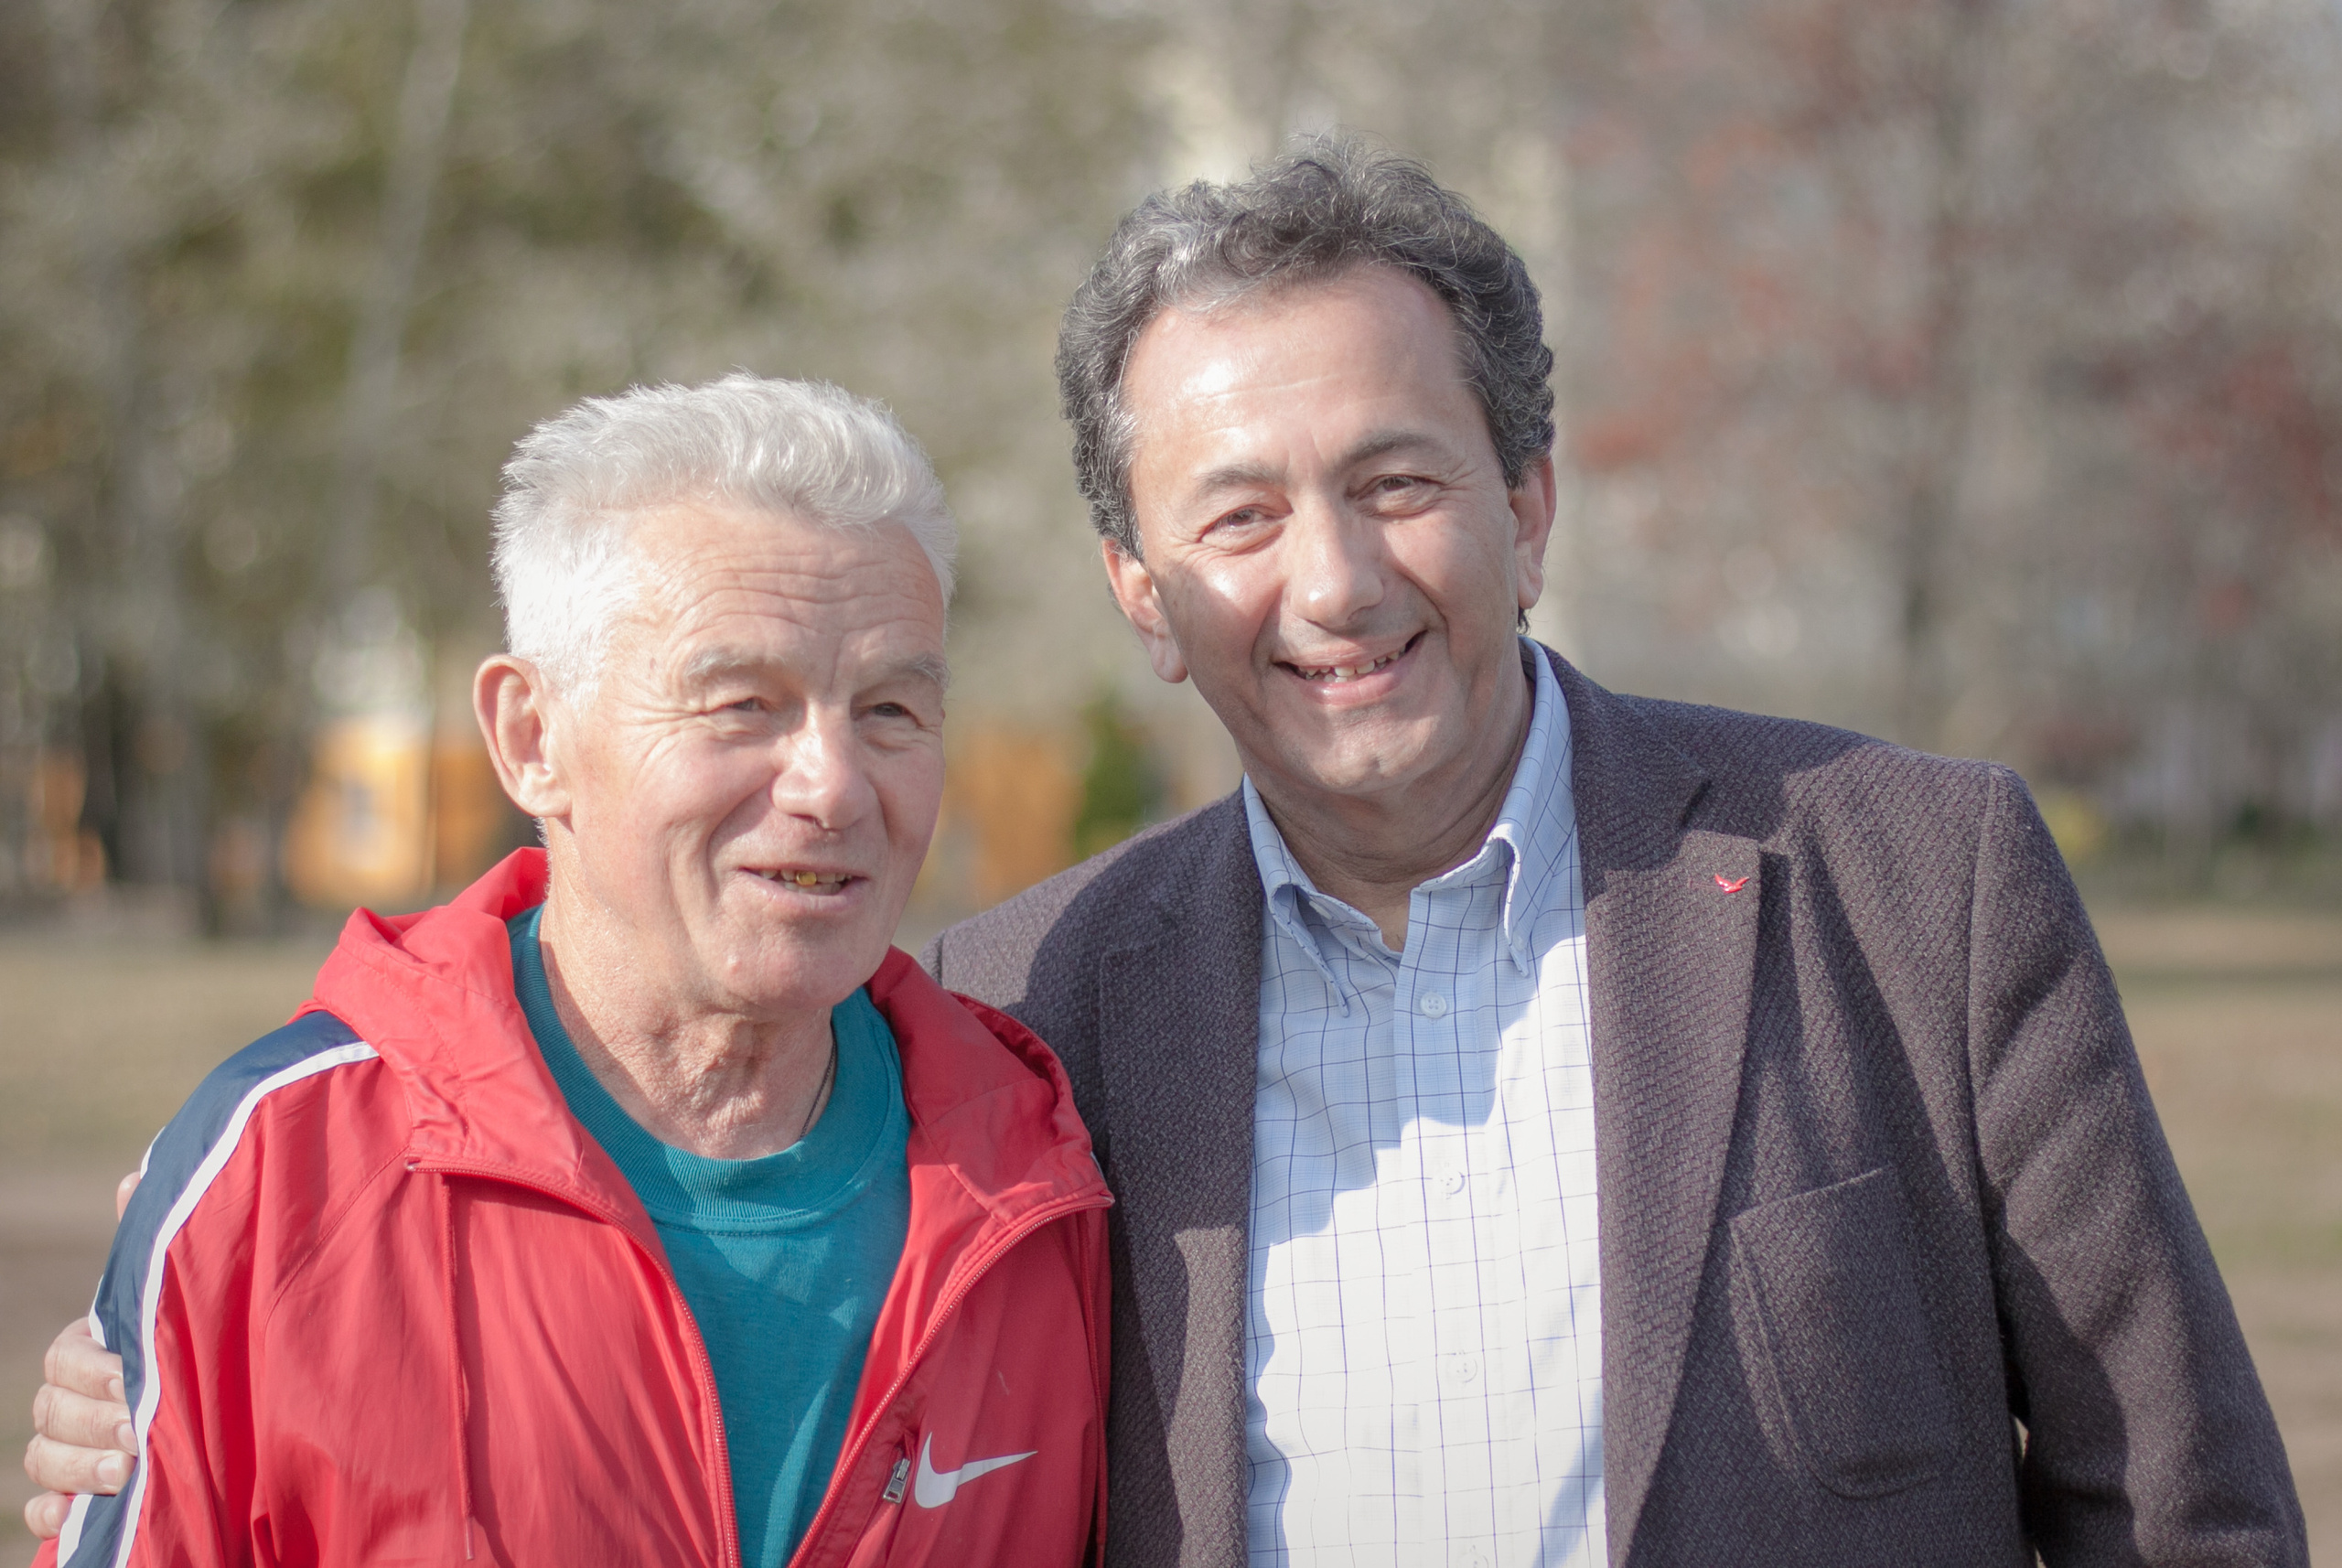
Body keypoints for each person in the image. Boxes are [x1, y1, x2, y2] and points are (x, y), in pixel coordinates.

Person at [28, 143, 2308, 1566]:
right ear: (1142, 591)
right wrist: (187, 1333)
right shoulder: (1028, 1024)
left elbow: (2180, 1507)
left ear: (1526, 500)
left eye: (1396, 478)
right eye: (1232, 514)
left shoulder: (1911, 882)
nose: (1326, 581)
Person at [20, 374, 1112, 1568]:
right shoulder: (275, 1179)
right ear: (532, 738)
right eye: (742, 702)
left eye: (892, 709)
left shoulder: (1050, 1180)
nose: (833, 783)